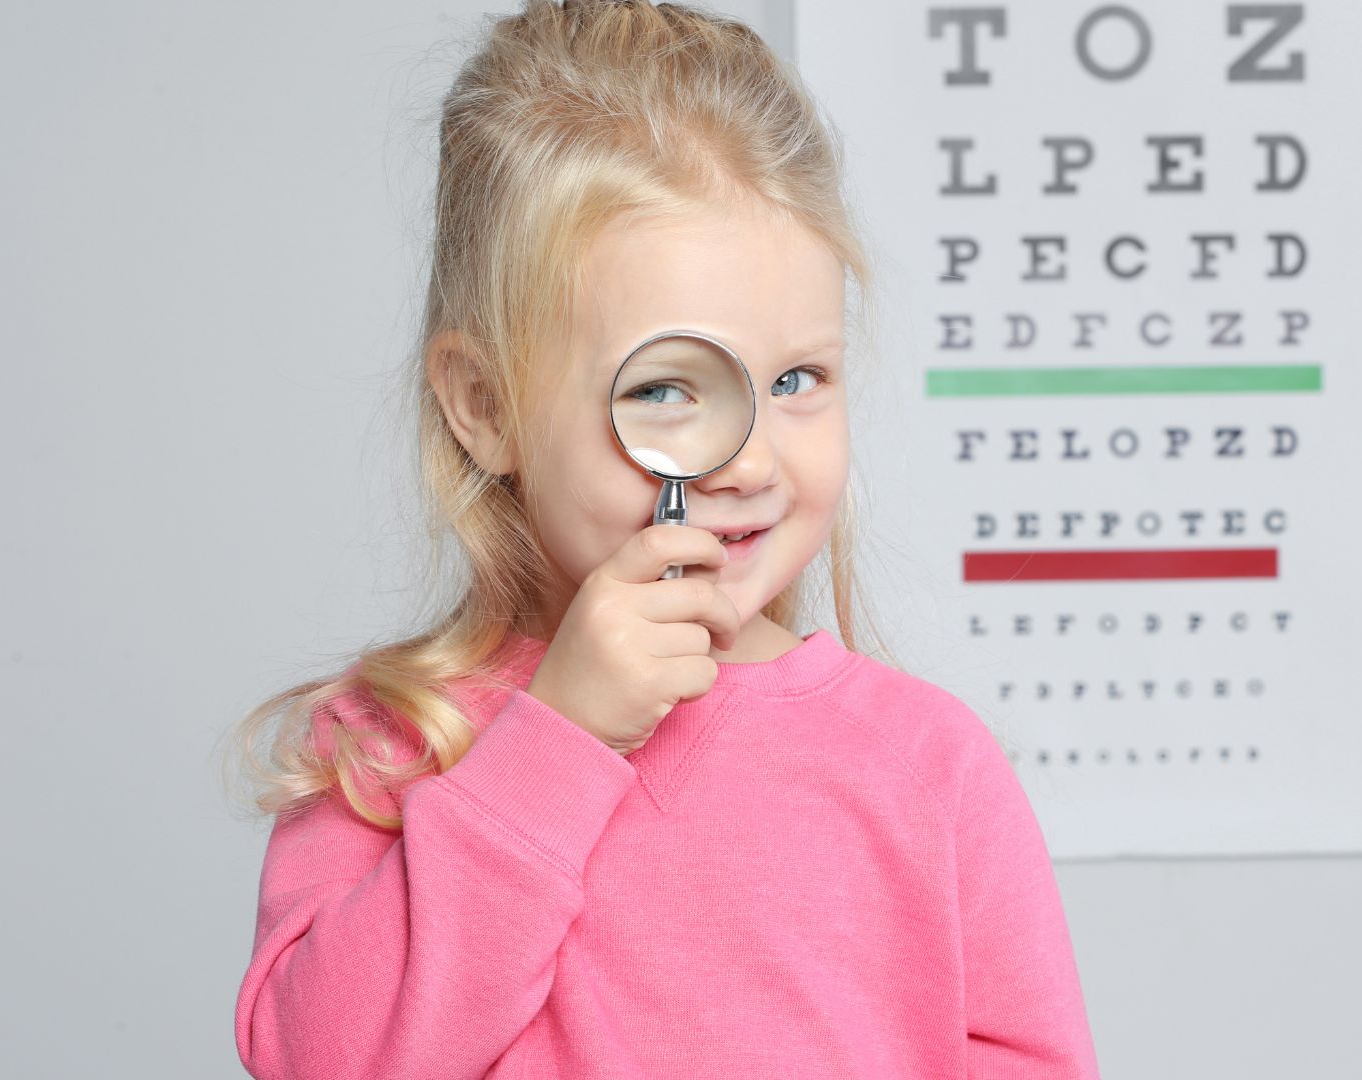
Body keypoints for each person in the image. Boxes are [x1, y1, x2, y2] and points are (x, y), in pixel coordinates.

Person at [219, 2, 1101, 1077]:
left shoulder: (928, 762)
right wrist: (555, 744)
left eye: (797, 379)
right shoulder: (392, 741)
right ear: (484, 404)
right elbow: (323, 1061)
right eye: (665, 388)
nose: (750, 461)